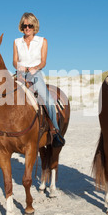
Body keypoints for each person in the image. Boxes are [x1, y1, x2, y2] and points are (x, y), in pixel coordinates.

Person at [13, 12, 65, 147]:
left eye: (30, 25)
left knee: (47, 99)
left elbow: (43, 62)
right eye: (24, 25)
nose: (27, 28)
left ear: (34, 26)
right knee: (0, 95)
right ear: (21, 26)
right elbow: (14, 61)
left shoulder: (42, 41)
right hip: (20, 73)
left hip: (35, 74)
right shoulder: (17, 42)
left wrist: (35, 68)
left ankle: (55, 131)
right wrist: (20, 68)